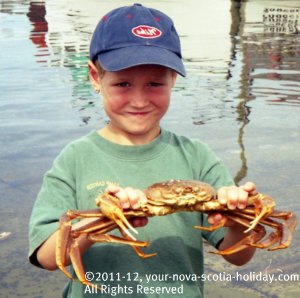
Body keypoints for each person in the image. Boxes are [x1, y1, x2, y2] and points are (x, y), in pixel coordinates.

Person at [29, 4, 257, 297]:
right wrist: (105, 217)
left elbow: (237, 255)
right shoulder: (74, 159)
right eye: (123, 83)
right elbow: (48, 258)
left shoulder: (197, 156)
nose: (139, 101)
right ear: (96, 77)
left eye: (154, 83)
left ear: (173, 79)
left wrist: (240, 218)